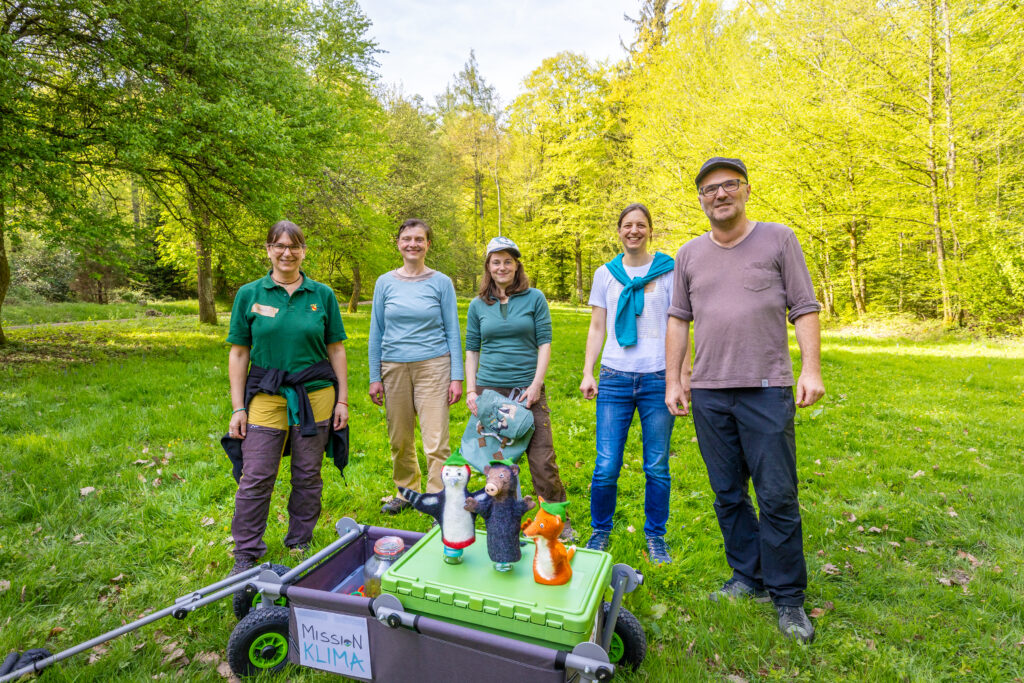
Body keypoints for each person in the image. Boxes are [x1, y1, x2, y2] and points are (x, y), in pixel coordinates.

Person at [665, 157, 826, 642]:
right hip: (710, 393)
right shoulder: (689, 254)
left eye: (728, 185)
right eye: (709, 189)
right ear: (700, 199)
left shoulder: (779, 239)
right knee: (728, 494)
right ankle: (748, 576)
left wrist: (811, 369)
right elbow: (677, 318)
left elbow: (805, 306)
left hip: (766, 388)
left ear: (746, 190)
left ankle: (789, 598)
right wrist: (675, 379)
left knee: (776, 495)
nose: (719, 194)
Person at [226, 220, 349, 575]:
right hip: (266, 393)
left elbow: (336, 349)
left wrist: (342, 400)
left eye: (294, 246)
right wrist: (238, 407)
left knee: (308, 473)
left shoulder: (321, 295)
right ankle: (246, 553)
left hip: (317, 394)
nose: (286, 252)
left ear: (303, 251)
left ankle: (300, 542)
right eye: (279, 245)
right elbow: (238, 354)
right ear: (268, 250)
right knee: (257, 473)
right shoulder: (250, 294)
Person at [579, 203, 676, 564]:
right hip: (614, 377)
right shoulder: (605, 274)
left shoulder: (669, 271)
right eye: (627, 225)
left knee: (657, 465)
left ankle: (655, 537)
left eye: (640, 225)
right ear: (618, 231)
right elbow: (596, 327)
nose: (633, 230)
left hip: (658, 377)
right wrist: (588, 371)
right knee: (606, 464)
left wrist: (679, 378)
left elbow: (678, 326)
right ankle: (600, 530)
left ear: (650, 230)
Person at [465, 236, 575, 543]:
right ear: (488, 266)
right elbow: (472, 349)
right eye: (496, 261)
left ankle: (556, 521)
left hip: (527, 390)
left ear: (517, 265)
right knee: (498, 463)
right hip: (490, 391)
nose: (502, 267)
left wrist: (536, 384)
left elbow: (545, 343)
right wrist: (472, 391)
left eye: (508, 261)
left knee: (542, 458)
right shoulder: (478, 305)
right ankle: (504, 519)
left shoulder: (534, 298)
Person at [368, 219, 464, 514]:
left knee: (436, 441)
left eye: (419, 239)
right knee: (400, 439)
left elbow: (453, 330)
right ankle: (407, 492)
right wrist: (375, 376)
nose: (412, 244)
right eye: (406, 238)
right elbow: (376, 331)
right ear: (398, 244)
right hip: (394, 367)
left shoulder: (441, 282)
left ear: (427, 245)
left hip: (434, 366)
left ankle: (437, 498)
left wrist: (456, 376)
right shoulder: (385, 282)